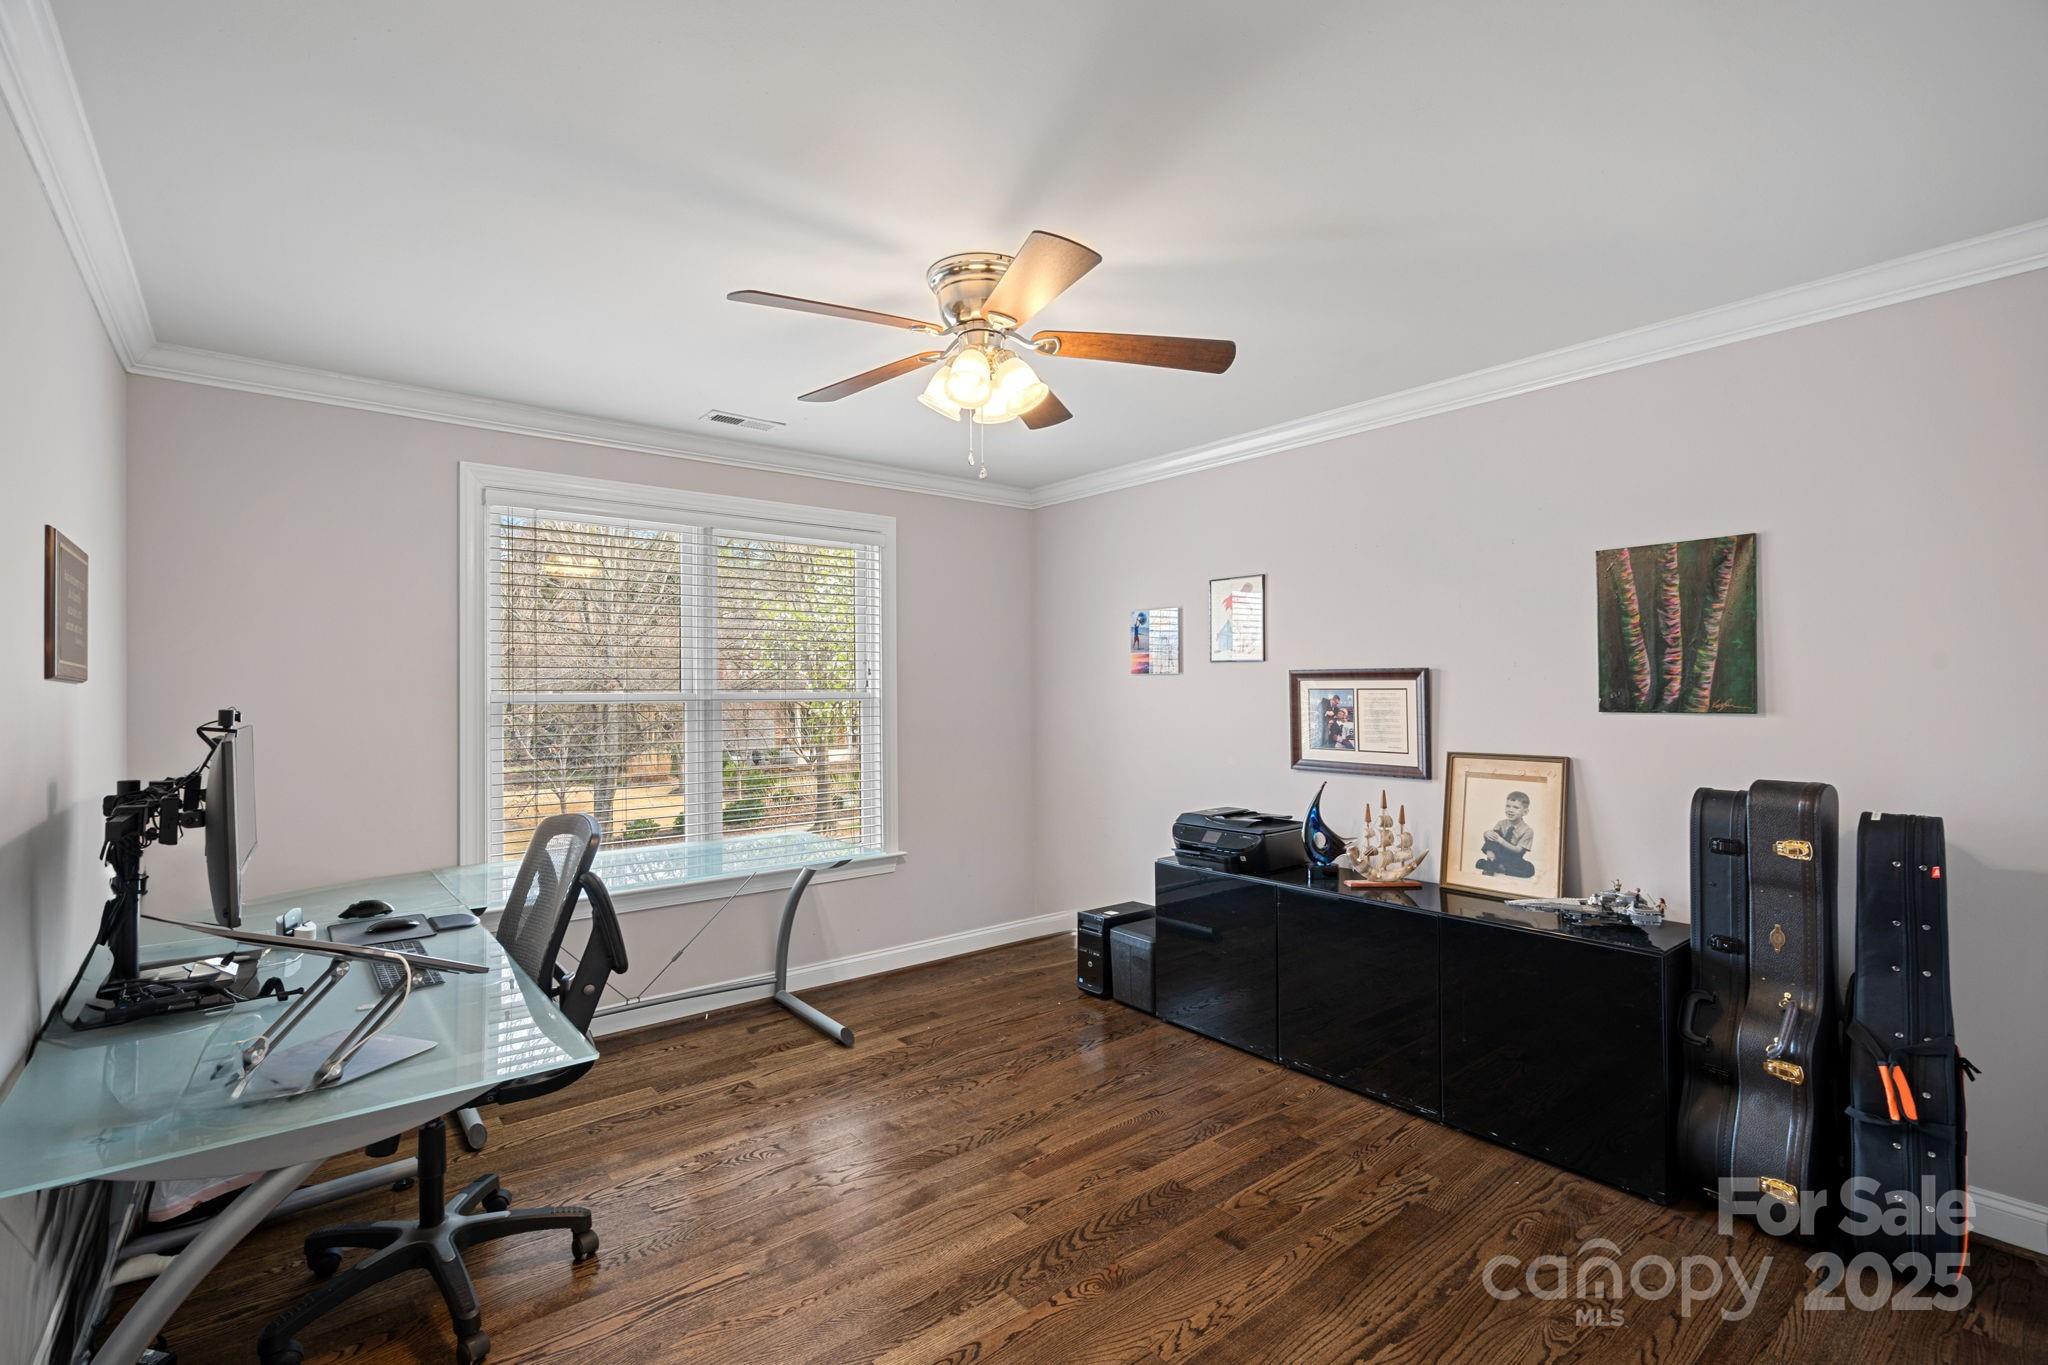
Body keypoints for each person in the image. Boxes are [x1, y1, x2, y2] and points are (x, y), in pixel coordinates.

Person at [1474, 790, 1537, 878]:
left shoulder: (1528, 831)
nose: (1510, 810)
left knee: (1529, 869)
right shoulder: (1501, 824)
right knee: (1493, 833)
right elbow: (1491, 841)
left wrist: (1501, 841)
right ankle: (1491, 862)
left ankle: (1496, 867)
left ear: (1525, 812)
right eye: (1508, 806)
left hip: (1513, 859)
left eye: (1516, 807)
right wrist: (1486, 834)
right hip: (1497, 855)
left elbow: (1518, 850)